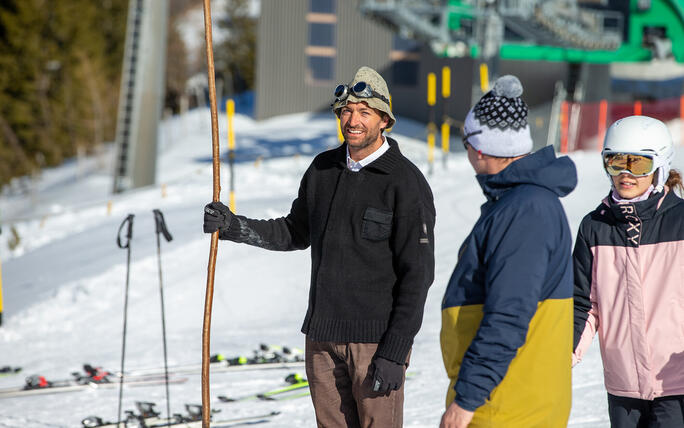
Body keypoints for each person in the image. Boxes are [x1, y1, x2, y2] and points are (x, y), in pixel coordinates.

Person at [203, 66, 435, 427]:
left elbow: (417, 277)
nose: (352, 120)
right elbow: (295, 231)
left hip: (373, 345)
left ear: (384, 120)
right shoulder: (322, 170)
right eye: (346, 111)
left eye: (364, 111)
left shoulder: (405, 183)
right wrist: (234, 226)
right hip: (322, 341)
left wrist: (395, 350)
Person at [440, 75, 577, 428]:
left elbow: (509, 314)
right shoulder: (519, 203)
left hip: (508, 407)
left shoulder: (525, 210)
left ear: (480, 148)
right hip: (506, 401)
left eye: (465, 139)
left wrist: (467, 400)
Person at [572, 115, 684, 428]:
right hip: (623, 385)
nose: (625, 174)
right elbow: (583, 303)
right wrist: (563, 352)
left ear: (659, 167)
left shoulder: (680, 222)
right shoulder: (595, 227)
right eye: (615, 162)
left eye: (638, 165)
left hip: (677, 382)